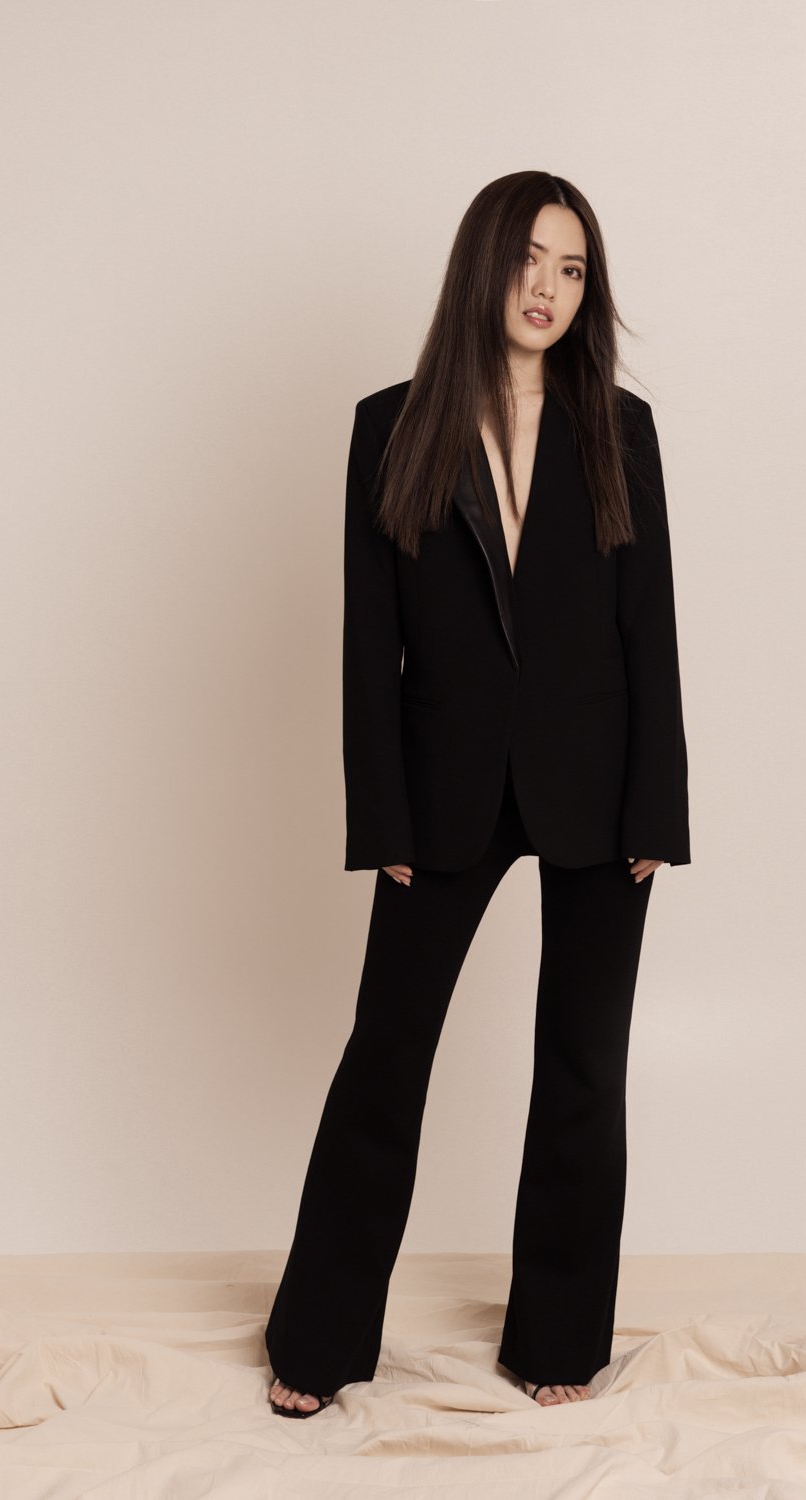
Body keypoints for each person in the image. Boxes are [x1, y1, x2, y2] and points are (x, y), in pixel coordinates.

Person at [266, 170, 690, 1417]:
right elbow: (367, 645)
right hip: (442, 793)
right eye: (531, 261)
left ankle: (558, 1340)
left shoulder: (624, 430)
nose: (550, 289)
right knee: (385, 1063)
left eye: (572, 269)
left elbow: (648, 632)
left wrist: (657, 811)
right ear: (483, 266)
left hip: (601, 791)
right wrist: (381, 819)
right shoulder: (391, 426)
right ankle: (319, 1341)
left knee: (582, 1069)